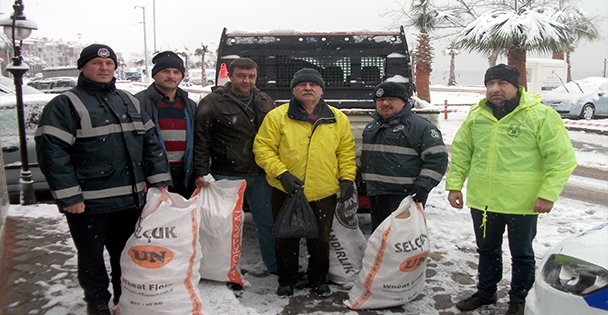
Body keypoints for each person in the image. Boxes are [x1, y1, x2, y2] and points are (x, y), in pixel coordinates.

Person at [35, 44, 172, 315]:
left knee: (127, 256)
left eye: (109, 64)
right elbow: (53, 154)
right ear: (83, 67)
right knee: (91, 259)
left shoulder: (128, 101)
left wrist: (159, 182)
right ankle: (97, 303)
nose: (104, 68)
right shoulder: (65, 104)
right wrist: (69, 197)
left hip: (129, 201)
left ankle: (126, 298)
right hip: (88, 205)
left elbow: (151, 143)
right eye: (97, 64)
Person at [446, 64, 576, 315]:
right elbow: (462, 153)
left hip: (523, 203)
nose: (495, 89)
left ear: (516, 86)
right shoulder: (476, 115)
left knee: (522, 255)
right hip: (484, 201)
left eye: (502, 83)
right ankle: (486, 292)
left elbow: (561, 159)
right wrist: (454, 186)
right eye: (490, 84)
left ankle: (519, 299)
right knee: (486, 251)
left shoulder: (540, 115)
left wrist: (548, 194)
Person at [253, 68, 357, 298]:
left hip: (324, 191)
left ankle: (318, 279)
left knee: (320, 239)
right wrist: (282, 174)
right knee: (285, 236)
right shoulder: (277, 116)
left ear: (321, 90)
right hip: (286, 189)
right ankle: (287, 279)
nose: (308, 88)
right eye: (302, 85)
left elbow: (346, 151)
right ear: (293, 90)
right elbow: (262, 148)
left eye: (313, 85)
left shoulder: (337, 118)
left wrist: (348, 178)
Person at [194, 58, 278, 275]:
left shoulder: (264, 100)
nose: (246, 81)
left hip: (260, 175)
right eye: (241, 76)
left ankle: (275, 266)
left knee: (267, 223)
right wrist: (201, 171)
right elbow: (201, 140)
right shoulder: (212, 102)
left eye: (251, 76)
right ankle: (224, 269)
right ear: (230, 76)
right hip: (226, 175)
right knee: (226, 226)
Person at [360, 81, 448, 231]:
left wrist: (422, 187)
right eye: (380, 100)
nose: (385, 103)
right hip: (377, 195)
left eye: (391, 99)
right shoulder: (371, 127)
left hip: (405, 197)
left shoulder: (421, 127)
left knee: (402, 241)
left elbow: (437, 159)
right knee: (381, 238)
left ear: (404, 101)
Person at [135, 51, 197, 197]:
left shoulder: (189, 105)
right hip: (153, 176)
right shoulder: (138, 103)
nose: (171, 76)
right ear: (155, 74)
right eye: (165, 71)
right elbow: (134, 145)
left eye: (176, 72)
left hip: (184, 174)